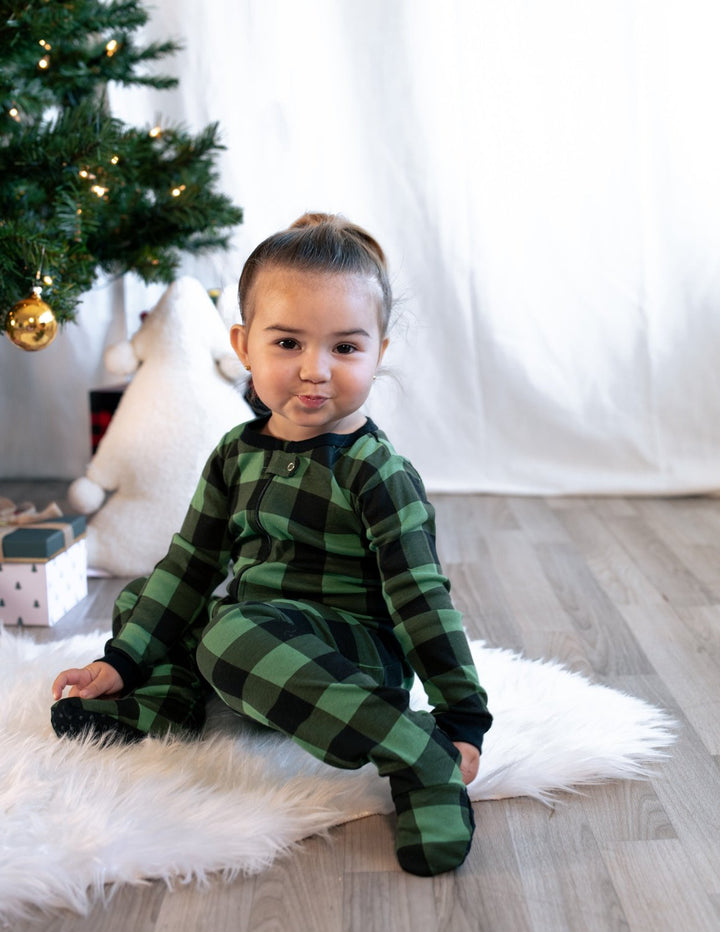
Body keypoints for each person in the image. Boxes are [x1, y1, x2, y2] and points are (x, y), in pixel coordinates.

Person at [51, 213, 492, 876]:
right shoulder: (236, 453)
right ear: (244, 345)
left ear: (378, 351)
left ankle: (415, 753)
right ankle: (166, 701)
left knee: (228, 634)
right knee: (148, 597)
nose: (315, 370)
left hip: (346, 657)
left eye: (345, 348)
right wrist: (122, 659)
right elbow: (191, 563)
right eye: (288, 342)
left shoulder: (377, 473)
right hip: (254, 638)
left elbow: (422, 602)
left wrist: (462, 718)